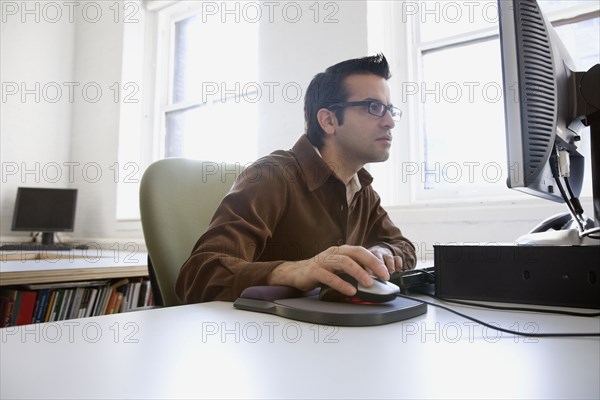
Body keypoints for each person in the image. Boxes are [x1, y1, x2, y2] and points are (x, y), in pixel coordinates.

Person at [176, 53, 416, 303]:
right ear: (329, 120)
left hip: (332, 331)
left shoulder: (361, 188)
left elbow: (404, 246)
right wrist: (293, 270)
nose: (389, 122)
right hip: (258, 334)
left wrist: (384, 252)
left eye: (389, 110)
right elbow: (198, 276)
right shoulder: (270, 177)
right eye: (374, 108)